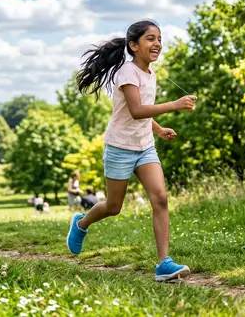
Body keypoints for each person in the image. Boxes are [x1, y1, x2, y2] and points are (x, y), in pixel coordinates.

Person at [66, 20, 197, 282]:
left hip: (145, 146)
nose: (157, 43)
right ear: (134, 45)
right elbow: (136, 110)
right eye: (150, 38)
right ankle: (81, 223)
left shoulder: (150, 74)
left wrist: (158, 130)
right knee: (114, 207)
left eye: (159, 38)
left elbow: (143, 111)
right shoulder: (127, 73)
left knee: (160, 199)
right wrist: (174, 104)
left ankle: (163, 263)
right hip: (120, 147)